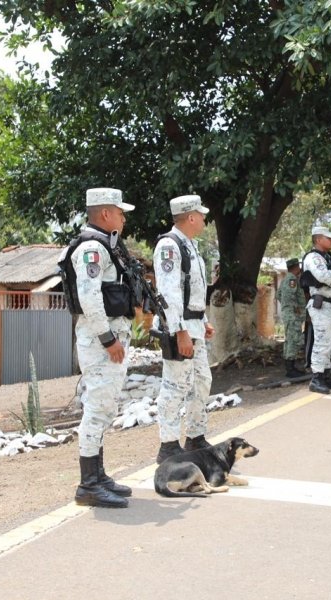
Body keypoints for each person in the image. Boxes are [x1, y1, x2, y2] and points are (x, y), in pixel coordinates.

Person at [65, 187, 138, 508]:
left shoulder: (105, 246)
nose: (123, 218)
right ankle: (89, 484)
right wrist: (109, 341)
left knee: (105, 406)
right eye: (120, 212)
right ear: (106, 214)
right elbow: (89, 297)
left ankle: (99, 476)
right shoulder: (92, 248)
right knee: (97, 408)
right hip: (100, 341)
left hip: (106, 338)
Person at [153, 194, 216, 464]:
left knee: (201, 382)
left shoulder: (190, 245)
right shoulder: (170, 245)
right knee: (175, 386)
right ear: (191, 217)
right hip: (178, 328)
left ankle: (195, 437)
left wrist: (202, 321)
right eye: (201, 214)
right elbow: (168, 293)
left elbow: (191, 291)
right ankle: (168, 445)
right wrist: (179, 331)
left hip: (193, 326)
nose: (204, 218)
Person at [301, 226, 331, 394]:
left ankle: (326, 375)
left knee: (329, 343)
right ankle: (317, 378)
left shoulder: (329, 257)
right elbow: (322, 276)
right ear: (318, 240)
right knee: (321, 342)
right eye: (329, 238)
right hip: (321, 305)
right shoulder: (313, 258)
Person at [278, 257, 306, 378]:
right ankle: (290, 369)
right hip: (292, 315)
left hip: (288, 313)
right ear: (296, 267)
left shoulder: (285, 279)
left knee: (290, 339)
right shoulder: (292, 279)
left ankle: (291, 367)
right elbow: (290, 296)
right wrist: (296, 310)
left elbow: (278, 295)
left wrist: (286, 307)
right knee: (294, 340)